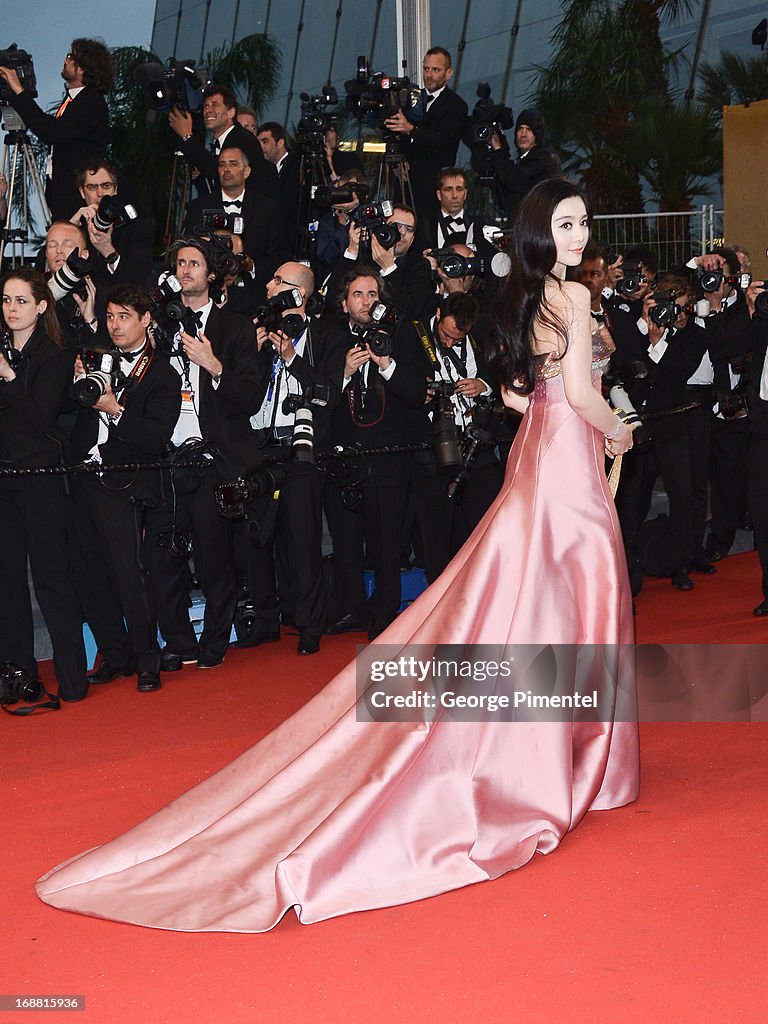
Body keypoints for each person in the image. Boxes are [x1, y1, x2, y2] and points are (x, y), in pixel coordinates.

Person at [34, 179, 639, 931]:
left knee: (526, 603)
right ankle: (579, 763)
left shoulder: (525, 296)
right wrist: (617, 429)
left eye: (584, 221)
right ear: (540, 230)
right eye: (567, 223)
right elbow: (577, 392)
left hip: (534, 459)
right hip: (569, 463)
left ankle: (544, 748)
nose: (580, 234)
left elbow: (521, 398)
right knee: (570, 598)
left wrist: (564, 408)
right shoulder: (572, 299)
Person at [67, 285, 182, 693]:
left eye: (124, 317)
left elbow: (155, 437)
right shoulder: (96, 357)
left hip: (126, 482)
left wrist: (115, 409)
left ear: (146, 320)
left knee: (127, 573)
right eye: (110, 316)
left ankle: (147, 657)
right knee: (90, 574)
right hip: (83, 478)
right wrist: (79, 382)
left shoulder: (163, 372)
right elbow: (65, 414)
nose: (114, 325)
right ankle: (116, 655)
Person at [0, 268, 88, 703]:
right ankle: (18, 674)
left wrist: (9, 376)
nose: (11, 308)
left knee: (53, 578)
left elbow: (37, 420)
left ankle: (73, 677)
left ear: (40, 306)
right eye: (5, 300)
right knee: (6, 581)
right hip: (3, 480)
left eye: (19, 300)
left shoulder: (53, 357)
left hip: (40, 479)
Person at [0, 39, 112, 219]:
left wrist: (19, 91)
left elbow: (51, 132)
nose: (65, 60)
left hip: (75, 195)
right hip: (62, 192)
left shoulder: (90, 102)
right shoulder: (73, 99)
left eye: (70, 57)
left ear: (82, 68)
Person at [384, 47, 468, 219]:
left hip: (433, 188)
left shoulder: (456, 105)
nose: (429, 75)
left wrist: (412, 130)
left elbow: (444, 142)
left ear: (448, 73)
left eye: (435, 70)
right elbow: (398, 134)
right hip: (406, 186)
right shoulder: (411, 98)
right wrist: (398, 164)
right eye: (426, 69)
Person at [168, 85, 276, 201]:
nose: (208, 111)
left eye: (215, 105)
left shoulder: (243, 139)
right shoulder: (217, 144)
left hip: (247, 216)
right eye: (206, 106)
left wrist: (187, 136)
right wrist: (199, 177)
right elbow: (213, 188)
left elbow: (218, 171)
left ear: (231, 112)